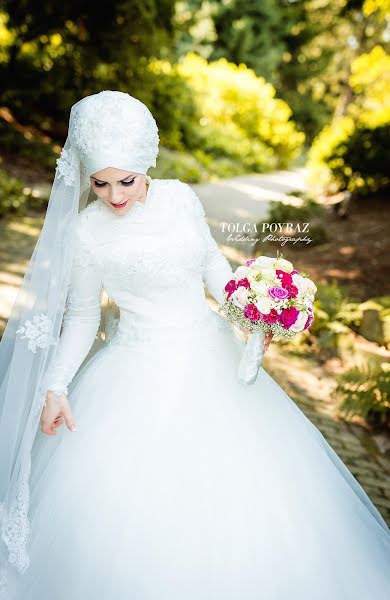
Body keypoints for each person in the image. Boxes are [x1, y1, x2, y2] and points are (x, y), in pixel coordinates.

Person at [0, 91, 389, 600]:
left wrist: (251, 307)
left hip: (213, 357)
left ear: (147, 167)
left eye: (127, 181)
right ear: (85, 176)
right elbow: (82, 314)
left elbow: (212, 267)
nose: (115, 196)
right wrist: (56, 385)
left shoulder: (182, 198)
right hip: (136, 371)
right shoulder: (84, 233)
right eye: (100, 183)